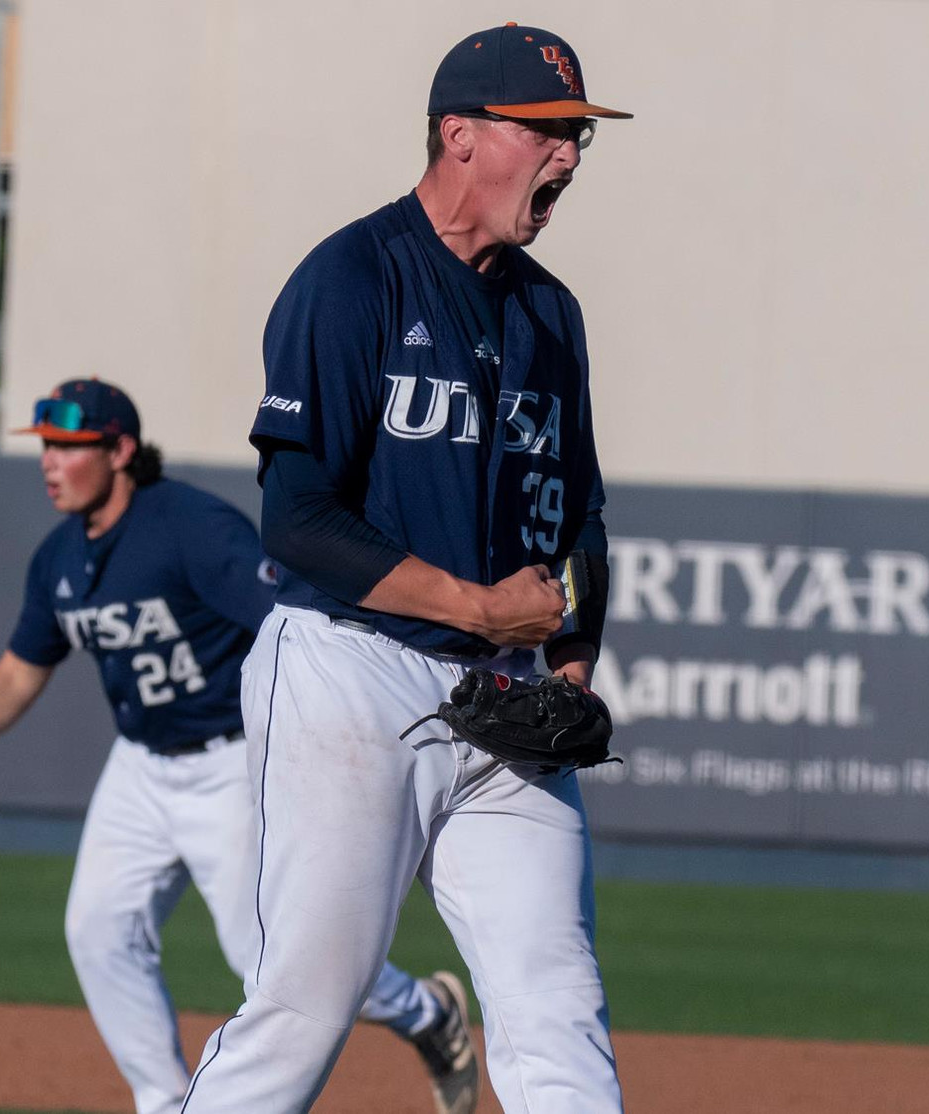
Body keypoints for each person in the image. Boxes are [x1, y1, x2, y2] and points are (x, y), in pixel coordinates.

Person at [179, 23, 630, 1114]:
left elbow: (582, 521)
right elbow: (296, 517)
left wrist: (570, 668)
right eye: (549, 131)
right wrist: (478, 604)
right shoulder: (352, 277)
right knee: (304, 1002)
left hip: (506, 699)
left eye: (578, 134)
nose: (570, 154)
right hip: (350, 673)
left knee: (556, 1002)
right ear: (459, 134)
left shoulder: (549, 314)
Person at [0, 378, 479, 1114]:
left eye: (68, 447)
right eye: (46, 447)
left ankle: (425, 1014)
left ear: (119, 450)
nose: (49, 462)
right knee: (97, 931)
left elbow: (288, 621)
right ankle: (166, 1101)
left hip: (232, 764)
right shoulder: (59, 557)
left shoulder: (190, 527)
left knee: (272, 958)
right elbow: (22, 669)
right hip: (140, 767)